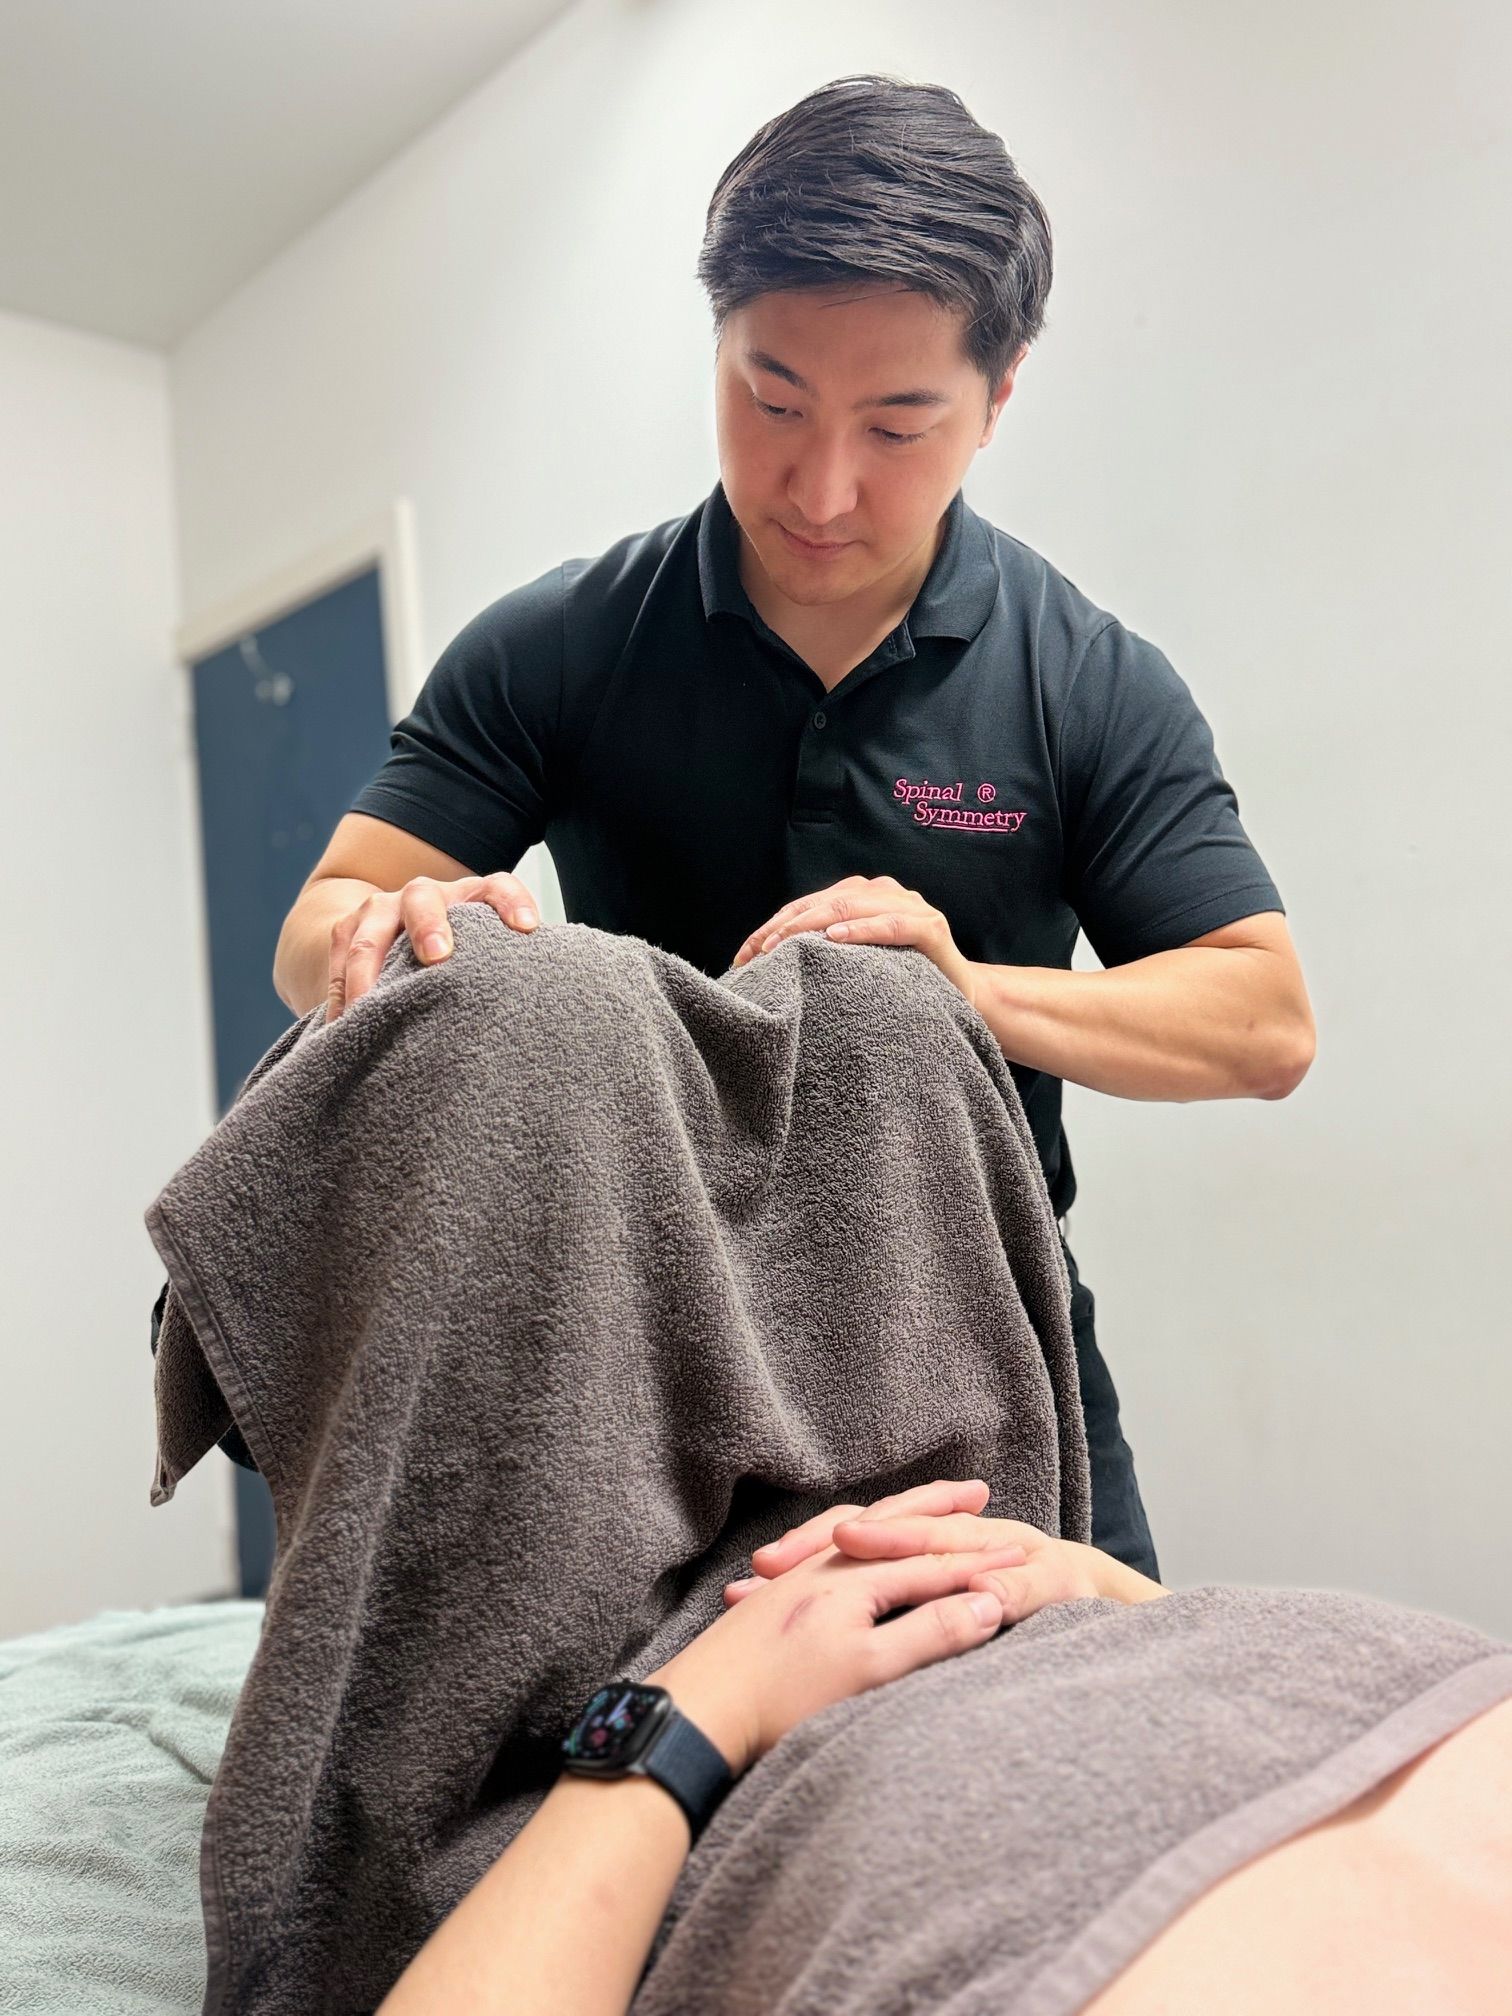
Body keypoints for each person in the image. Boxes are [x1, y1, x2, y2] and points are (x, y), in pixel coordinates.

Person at [273, 75, 1317, 1586]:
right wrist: (395, 938)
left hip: (977, 1342)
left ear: (999, 396)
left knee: (1077, 1762)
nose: (822, 489)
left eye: (899, 425)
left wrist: (970, 995)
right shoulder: (559, 648)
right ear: (717, 348)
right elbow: (325, 925)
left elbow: (1265, 1020)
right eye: (771, 401)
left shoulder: (1085, 681)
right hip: (640, 1348)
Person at [373, 1476, 1512, 2015]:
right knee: (880, 1019)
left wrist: (689, 1712)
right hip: (1112, 1621)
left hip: (711, 1745)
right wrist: (1094, 1586)